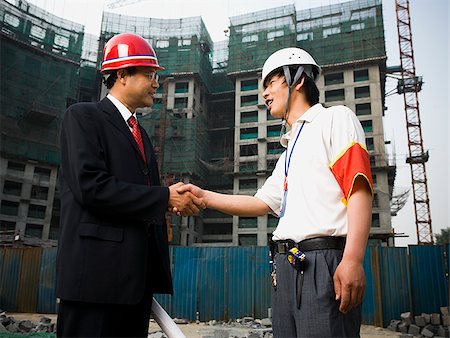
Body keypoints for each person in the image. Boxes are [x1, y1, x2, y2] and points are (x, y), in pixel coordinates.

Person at [176, 47, 373, 337]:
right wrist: (204, 197)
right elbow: (260, 202)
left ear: (298, 80)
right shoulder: (289, 150)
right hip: (287, 266)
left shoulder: (335, 119)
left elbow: (359, 189)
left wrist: (353, 259)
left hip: (323, 262)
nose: (265, 93)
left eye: (271, 82)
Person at [56, 33, 204, 337]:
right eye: (149, 75)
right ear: (122, 75)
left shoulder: (141, 134)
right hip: (94, 285)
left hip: (134, 287)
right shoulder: (83, 117)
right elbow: (92, 187)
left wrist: (169, 200)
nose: (156, 83)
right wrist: (165, 198)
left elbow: (141, 200)